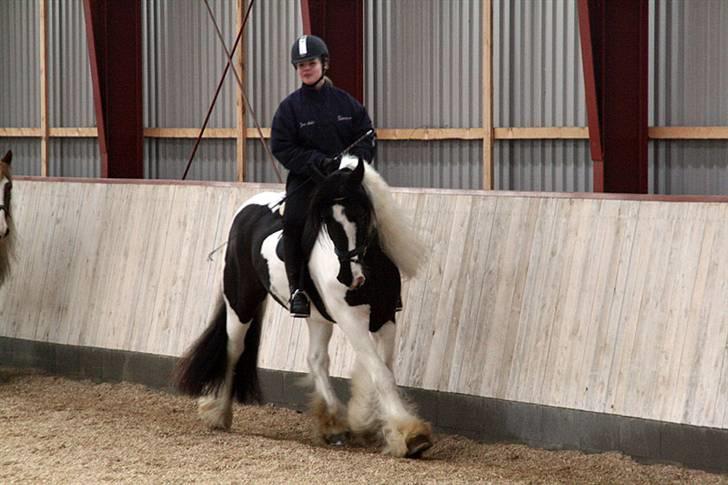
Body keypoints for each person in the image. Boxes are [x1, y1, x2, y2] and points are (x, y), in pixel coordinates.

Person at [270, 35, 376, 318]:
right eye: (301, 65)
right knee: (293, 222)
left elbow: (367, 136)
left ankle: (385, 285)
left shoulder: (347, 103)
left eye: (311, 63)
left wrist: (349, 164)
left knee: (373, 214)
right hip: (309, 180)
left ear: (324, 64)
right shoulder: (289, 109)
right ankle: (297, 291)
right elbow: (281, 146)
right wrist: (313, 161)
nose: (306, 69)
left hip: (345, 178)